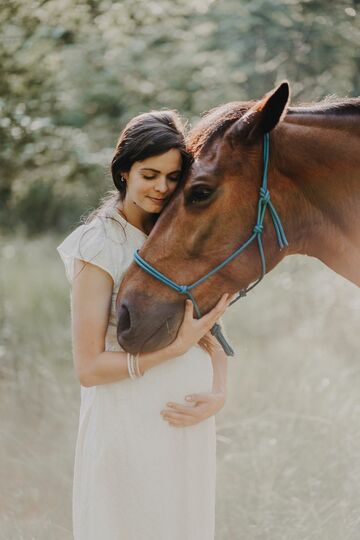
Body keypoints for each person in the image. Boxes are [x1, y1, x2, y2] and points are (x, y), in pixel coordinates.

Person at [57, 110, 232, 540]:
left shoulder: (175, 237)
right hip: (128, 423)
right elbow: (89, 367)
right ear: (123, 172)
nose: (162, 188)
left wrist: (219, 393)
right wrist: (173, 351)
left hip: (186, 423)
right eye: (149, 174)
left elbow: (211, 330)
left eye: (173, 177)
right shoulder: (101, 245)